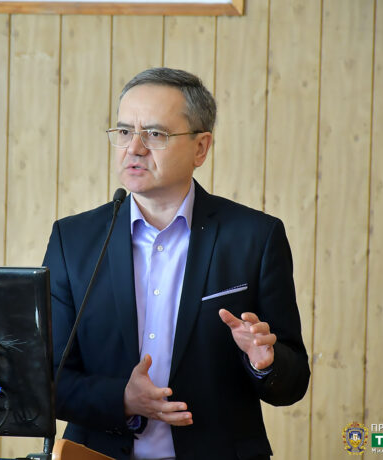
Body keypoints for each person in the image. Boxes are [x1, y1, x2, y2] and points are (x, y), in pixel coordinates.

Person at [43, 67, 310, 460]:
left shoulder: (254, 237)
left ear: (201, 147)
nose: (134, 148)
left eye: (155, 134)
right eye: (124, 131)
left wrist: (264, 364)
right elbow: (45, 379)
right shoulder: (74, 240)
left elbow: (294, 380)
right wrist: (122, 399)